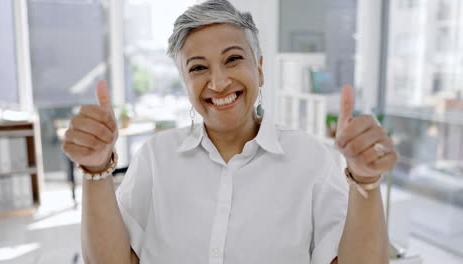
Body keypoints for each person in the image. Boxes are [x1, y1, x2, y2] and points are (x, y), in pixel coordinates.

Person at [62, 0, 398, 263]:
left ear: (260, 69)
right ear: (184, 81)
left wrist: (365, 182)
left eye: (233, 59)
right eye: (198, 68)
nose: (219, 81)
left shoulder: (310, 159)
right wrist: (95, 170)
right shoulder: (156, 157)